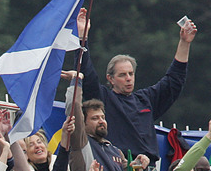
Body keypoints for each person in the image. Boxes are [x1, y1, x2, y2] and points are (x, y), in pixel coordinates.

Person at [80, 9, 197, 162]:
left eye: (131, 73)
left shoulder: (146, 99)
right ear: (110, 78)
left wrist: (184, 43)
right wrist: (83, 38)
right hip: (118, 168)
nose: (128, 78)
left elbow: (173, 81)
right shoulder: (104, 99)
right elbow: (87, 75)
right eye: (122, 75)